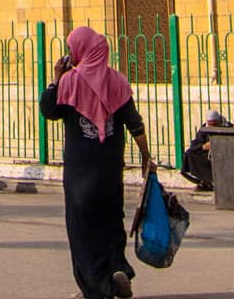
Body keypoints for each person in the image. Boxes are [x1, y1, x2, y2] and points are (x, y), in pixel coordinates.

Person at [40, 26, 155, 299]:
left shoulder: (70, 82)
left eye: (72, 49)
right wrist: (146, 156)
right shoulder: (117, 82)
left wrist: (56, 78)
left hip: (81, 171)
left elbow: (49, 110)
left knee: (82, 227)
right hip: (110, 167)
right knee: (111, 219)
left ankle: (96, 288)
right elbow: (134, 124)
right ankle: (117, 268)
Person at [180, 110, 226, 191]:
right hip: (208, 157)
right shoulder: (204, 130)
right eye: (210, 125)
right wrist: (203, 147)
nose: (212, 127)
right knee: (190, 154)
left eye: (215, 124)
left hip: (223, 157)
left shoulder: (227, 127)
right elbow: (194, 146)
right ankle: (205, 182)